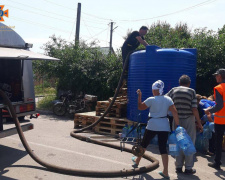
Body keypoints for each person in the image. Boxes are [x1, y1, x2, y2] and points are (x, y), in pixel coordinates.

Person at [132, 80, 179, 179]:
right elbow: (174, 112)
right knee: (163, 148)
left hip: (152, 124)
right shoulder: (168, 99)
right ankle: (165, 172)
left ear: (155, 90)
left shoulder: (151, 100)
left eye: (153, 90)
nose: (153, 91)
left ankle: (137, 161)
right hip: (164, 125)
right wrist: (178, 126)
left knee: (144, 144)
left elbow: (140, 107)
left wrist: (139, 96)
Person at [166, 75, 203, 175]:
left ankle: (178, 166)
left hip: (177, 120)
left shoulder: (173, 90)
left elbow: (165, 101)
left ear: (179, 82)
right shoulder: (191, 91)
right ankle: (188, 168)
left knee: (177, 142)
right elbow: (194, 109)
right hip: (188, 120)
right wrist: (199, 123)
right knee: (189, 143)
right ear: (189, 83)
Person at [204, 68, 225, 170]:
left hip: (221, 120)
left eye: (216, 75)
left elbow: (219, 106)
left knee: (218, 141)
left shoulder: (219, 88)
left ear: (220, 76)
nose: (216, 77)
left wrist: (209, 110)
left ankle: (217, 163)